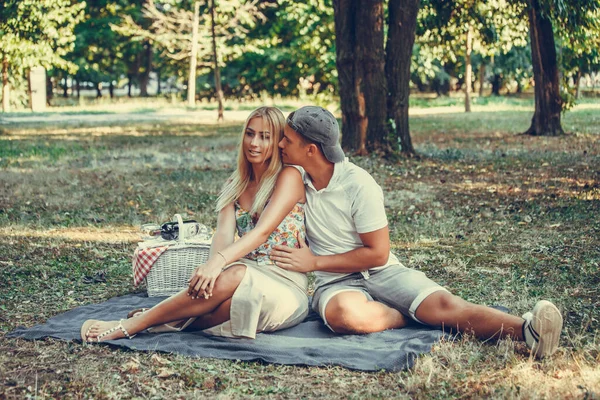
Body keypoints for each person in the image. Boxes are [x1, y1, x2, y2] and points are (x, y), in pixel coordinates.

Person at [271, 105, 563, 359]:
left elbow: (378, 253)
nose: (280, 144)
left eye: (288, 139)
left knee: (446, 305)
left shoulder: (359, 185)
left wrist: (314, 262)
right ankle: (408, 317)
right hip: (336, 283)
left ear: (311, 150)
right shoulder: (296, 181)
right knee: (343, 316)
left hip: (382, 271)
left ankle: (529, 330)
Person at [81, 106, 309, 342]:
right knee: (231, 299)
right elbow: (222, 235)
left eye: (265, 137)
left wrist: (218, 264)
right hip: (243, 277)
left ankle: (138, 323)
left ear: (278, 141)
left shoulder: (288, 177)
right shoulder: (235, 184)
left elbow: (262, 232)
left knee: (236, 274)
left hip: (285, 284)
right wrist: (212, 271)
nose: (254, 143)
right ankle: (162, 322)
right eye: (250, 134)